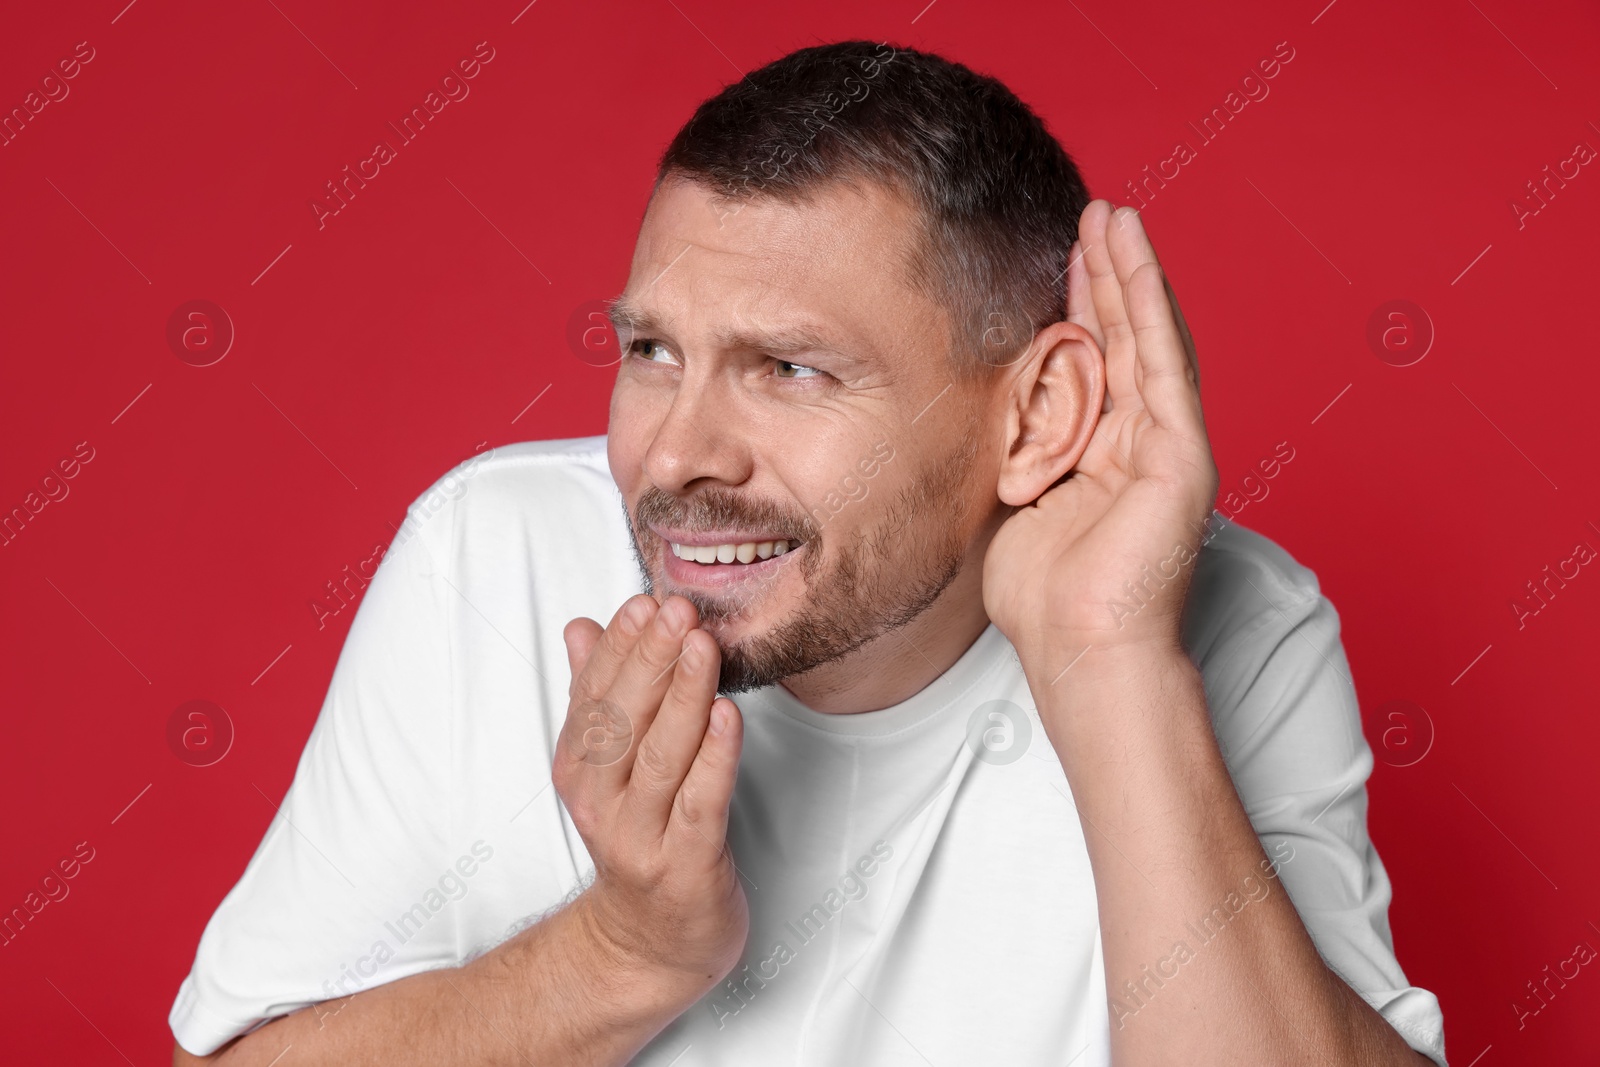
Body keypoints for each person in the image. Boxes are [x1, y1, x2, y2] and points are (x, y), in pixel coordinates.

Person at [169, 39, 1448, 1066]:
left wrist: (1111, 661)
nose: (674, 458)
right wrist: (621, 952)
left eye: (788, 368)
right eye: (651, 351)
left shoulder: (1229, 624)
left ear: (1036, 415)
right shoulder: (489, 553)